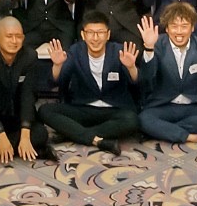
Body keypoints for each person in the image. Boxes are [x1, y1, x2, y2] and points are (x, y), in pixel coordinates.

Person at [38, 12, 142, 154]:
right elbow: (56, 81)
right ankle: (97, 140)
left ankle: (73, 133)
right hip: (83, 108)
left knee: (132, 120)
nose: (95, 38)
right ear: (83, 35)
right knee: (45, 110)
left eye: (100, 32)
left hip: (114, 110)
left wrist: (131, 67)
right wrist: (57, 66)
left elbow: (137, 83)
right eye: (90, 33)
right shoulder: (75, 51)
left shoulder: (119, 51)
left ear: (108, 34)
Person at [0, 17, 57, 162]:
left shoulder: (30, 57)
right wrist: (0, 132)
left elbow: (28, 96)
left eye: (18, 36)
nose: (14, 41)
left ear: (23, 38)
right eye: (9, 36)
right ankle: (15, 146)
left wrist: (25, 133)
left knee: (41, 134)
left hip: (18, 118)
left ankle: (6, 146)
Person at [137, 5, 197, 145]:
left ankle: (161, 131)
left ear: (192, 28)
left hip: (195, 105)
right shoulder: (156, 43)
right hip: (164, 105)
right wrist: (149, 48)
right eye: (174, 26)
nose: (179, 31)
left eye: (184, 26)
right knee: (144, 119)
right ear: (167, 28)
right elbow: (147, 76)